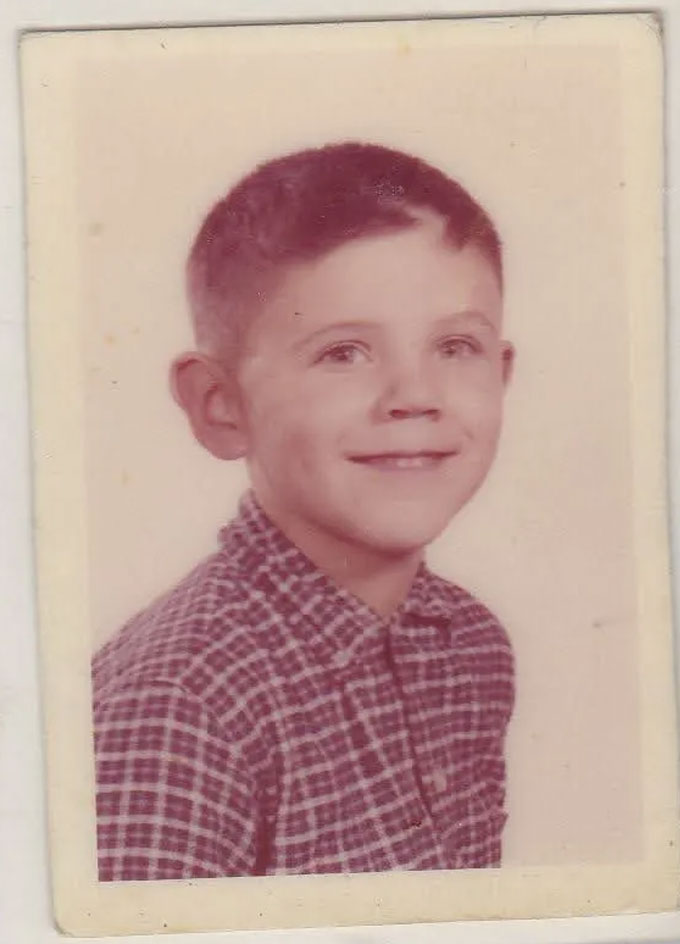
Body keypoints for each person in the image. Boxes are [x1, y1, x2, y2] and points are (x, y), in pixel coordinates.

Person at [92, 141, 516, 881]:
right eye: (344, 353)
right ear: (221, 407)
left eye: (455, 345)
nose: (414, 395)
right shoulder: (182, 707)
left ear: (503, 375)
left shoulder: (471, 647)